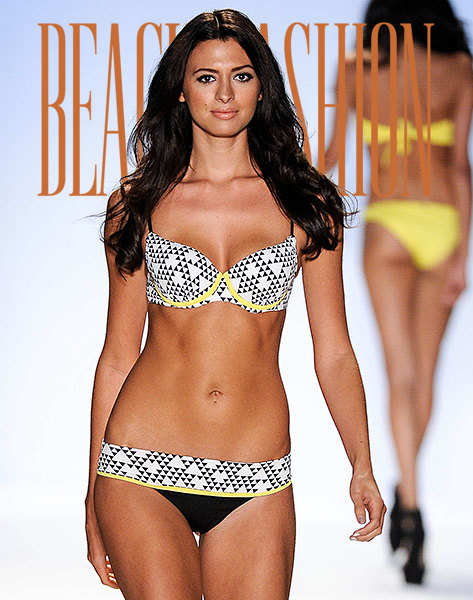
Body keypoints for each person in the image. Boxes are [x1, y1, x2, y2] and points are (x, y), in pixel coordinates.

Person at [84, 9, 386, 599]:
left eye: (241, 76)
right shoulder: (139, 204)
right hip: (139, 464)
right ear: (180, 89)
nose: (225, 94)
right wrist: (92, 495)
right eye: (206, 77)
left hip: (257, 476)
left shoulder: (307, 205)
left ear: (262, 87)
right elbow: (117, 355)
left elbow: (334, 351)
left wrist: (362, 464)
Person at [324, 0, 473, 586]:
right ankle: (410, 494)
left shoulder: (357, 71)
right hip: (443, 224)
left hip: (387, 224)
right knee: (424, 377)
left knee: (399, 373)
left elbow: (331, 158)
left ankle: (408, 502)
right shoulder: (459, 69)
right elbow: (459, 166)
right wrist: (461, 254)